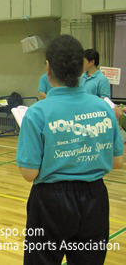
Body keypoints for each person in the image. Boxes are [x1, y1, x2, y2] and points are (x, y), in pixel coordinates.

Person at [16, 35, 124, 264]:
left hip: (50, 202)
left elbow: (29, 174)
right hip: (95, 198)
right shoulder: (104, 109)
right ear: (80, 68)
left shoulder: (37, 113)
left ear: (48, 68)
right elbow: (117, 162)